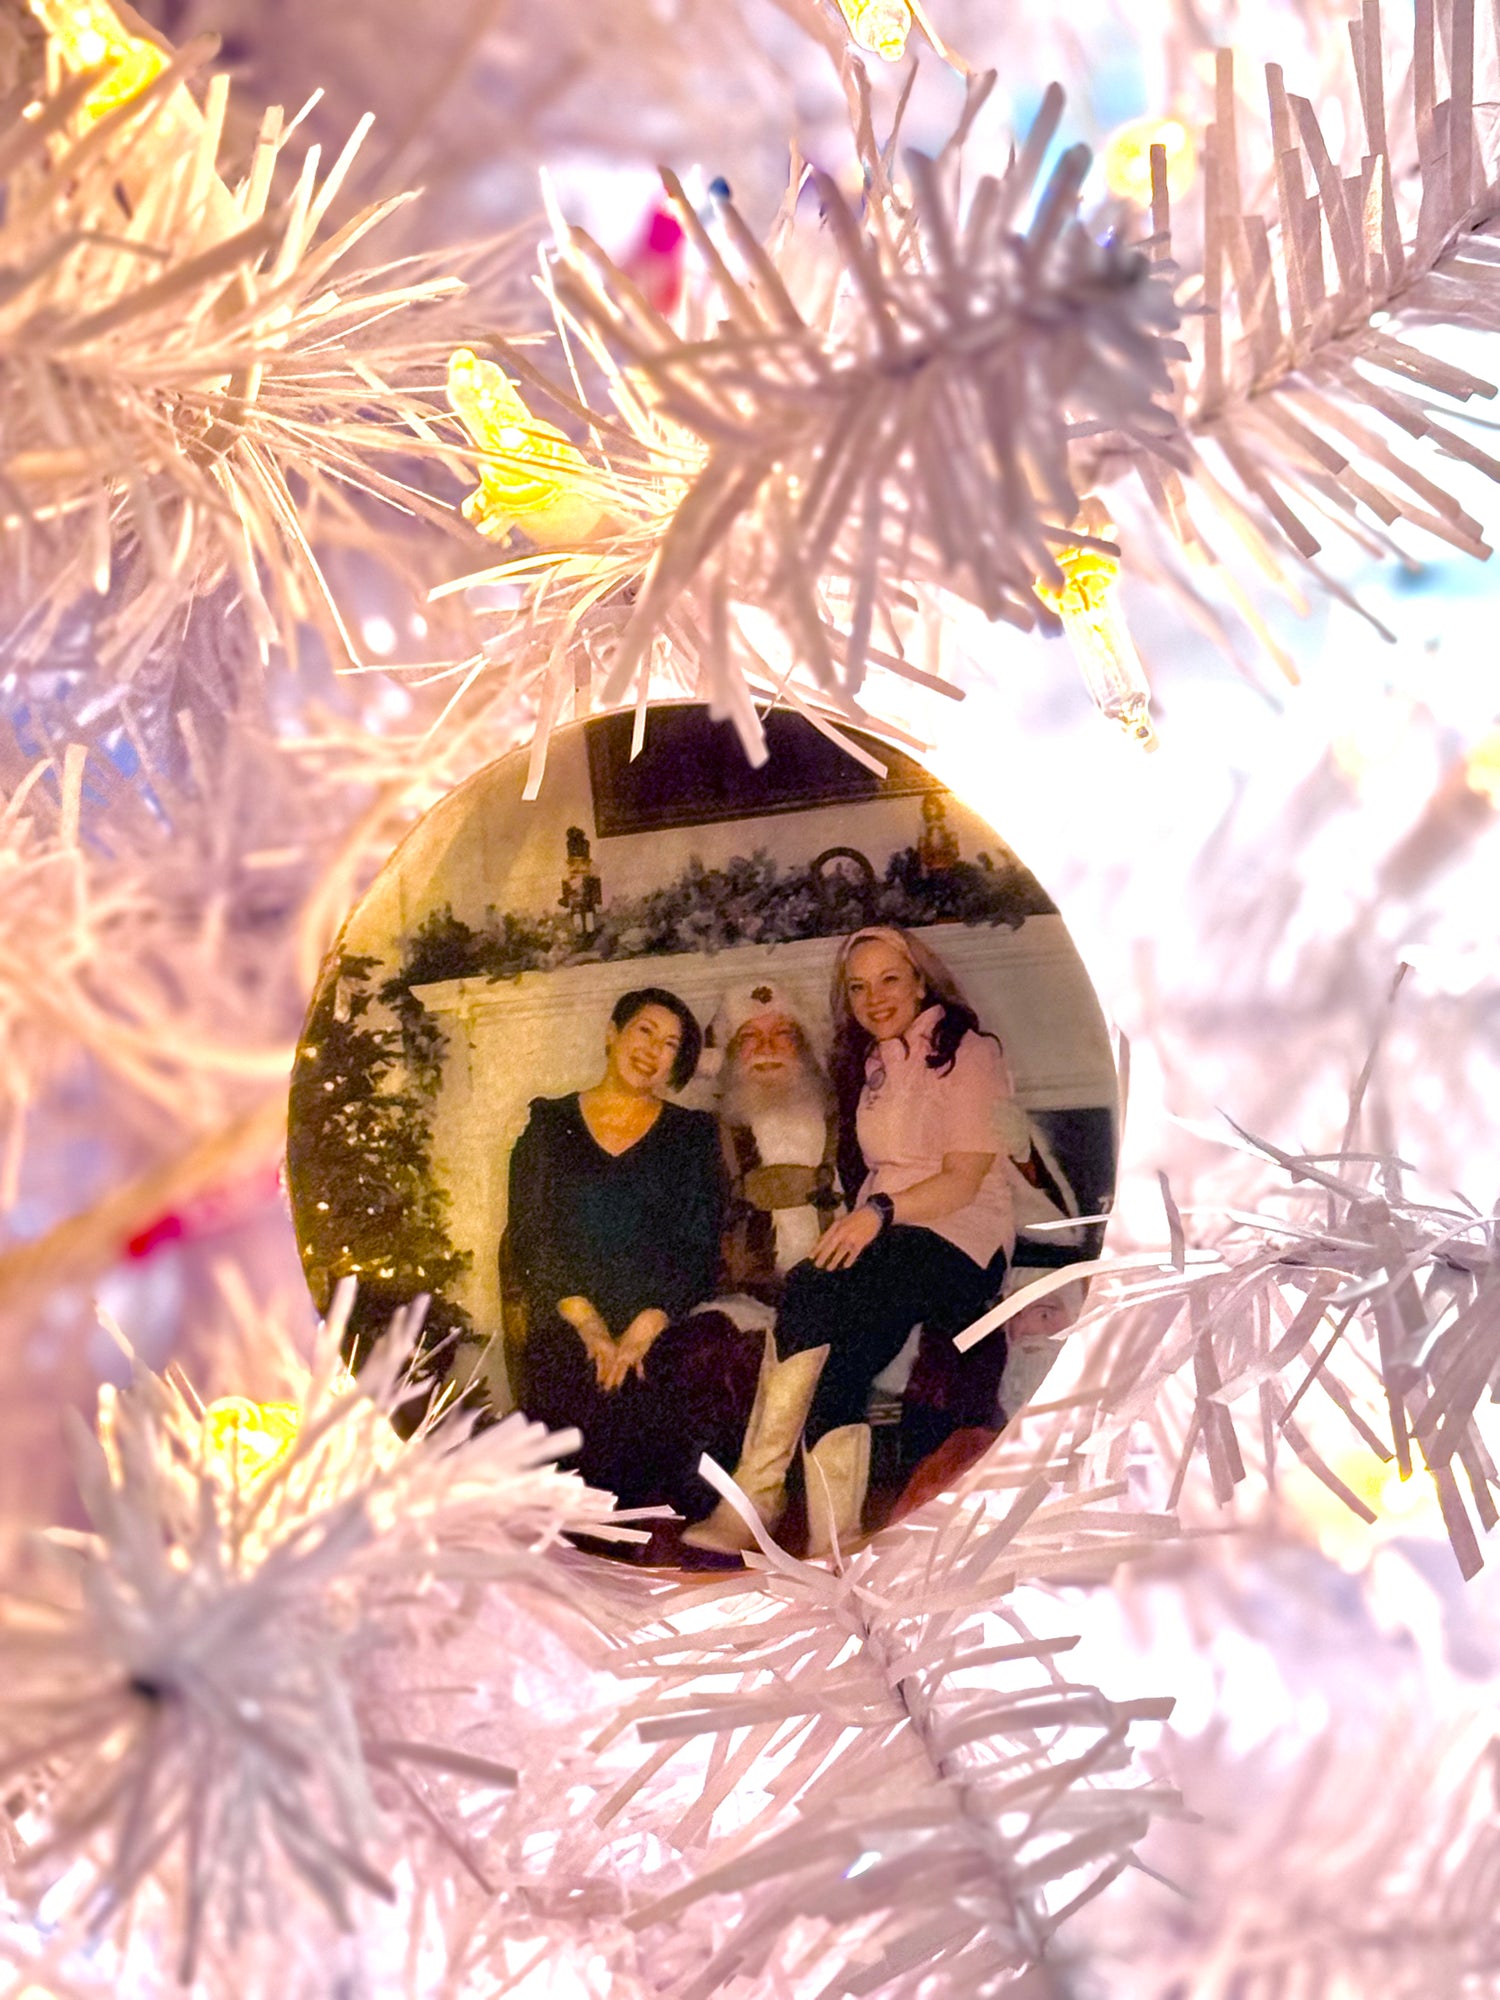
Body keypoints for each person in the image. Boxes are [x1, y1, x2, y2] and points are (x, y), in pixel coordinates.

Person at [774, 926, 1029, 1552]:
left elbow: (964, 1180)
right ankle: (826, 1530)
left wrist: (877, 1214)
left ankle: (783, 1503)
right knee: (819, 1304)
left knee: (836, 1306)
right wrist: (864, 1221)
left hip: (962, 1236)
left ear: (920, 982)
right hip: (890, 1235)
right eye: (858, 987)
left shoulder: (970, 1052)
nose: (875, 998)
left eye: (890, 979)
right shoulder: (873, 1062)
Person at [506, 987, 765, 1524]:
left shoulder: (692, 1134)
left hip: (660, 1316)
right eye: (645, 1031)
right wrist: (592, 1328)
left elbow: (697, 1246)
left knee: (673, 1406)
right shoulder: (548, 1126)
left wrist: (643, 1330)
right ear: (613, 1033)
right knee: (578, 1413)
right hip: (571, 1316)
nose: (653, 1050)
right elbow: (532, 1237)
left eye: (670, 1044)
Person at [680, 981, 836, 1554]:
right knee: (705, 1340)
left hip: (840, 1273)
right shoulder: (710, 1130)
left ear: (805, 1047)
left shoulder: (849, 1114)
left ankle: (764, 1502)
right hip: (751, 1287)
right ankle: (756, 1497)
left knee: (818, 1302)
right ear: (729, 1053)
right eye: (751, 1037)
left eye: (782, 1034)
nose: (768, 1048)